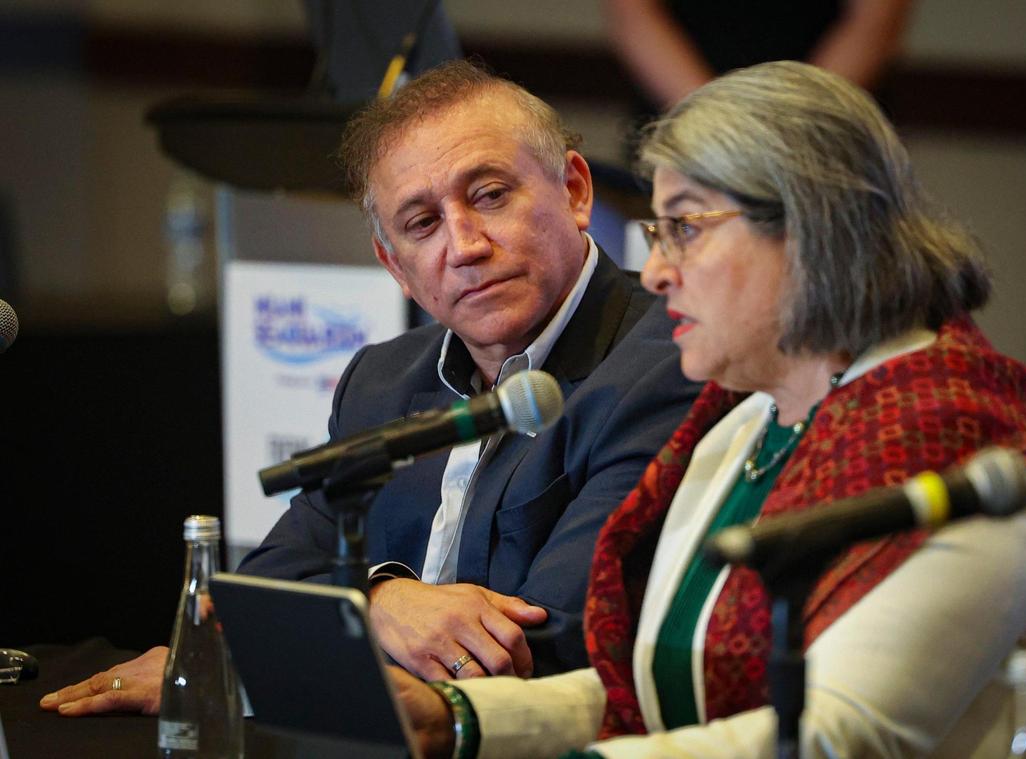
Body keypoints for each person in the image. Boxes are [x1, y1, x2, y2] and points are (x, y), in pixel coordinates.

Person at [389, 61, 1026, 758]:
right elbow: (656, 694)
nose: (656, 271)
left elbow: (832, 736)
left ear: (811, 231)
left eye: (684, 228)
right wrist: (457, 719)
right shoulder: (740, 428)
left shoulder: (974, 454)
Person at [38, 61, 697, 716]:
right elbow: (266, 583)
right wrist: (379, 600)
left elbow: (537, 651)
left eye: (490, 195)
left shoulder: (668, 364)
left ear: (574, 191)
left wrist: (254, 673)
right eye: (422, 224)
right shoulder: (382, 381)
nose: (464, 245)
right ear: (395, 266)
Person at [603, 0, 914, 112]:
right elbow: (635, 14)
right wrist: (714, 122)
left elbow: (876, 19)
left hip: (824, 126)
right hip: (682, 117)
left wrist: (793, 124)